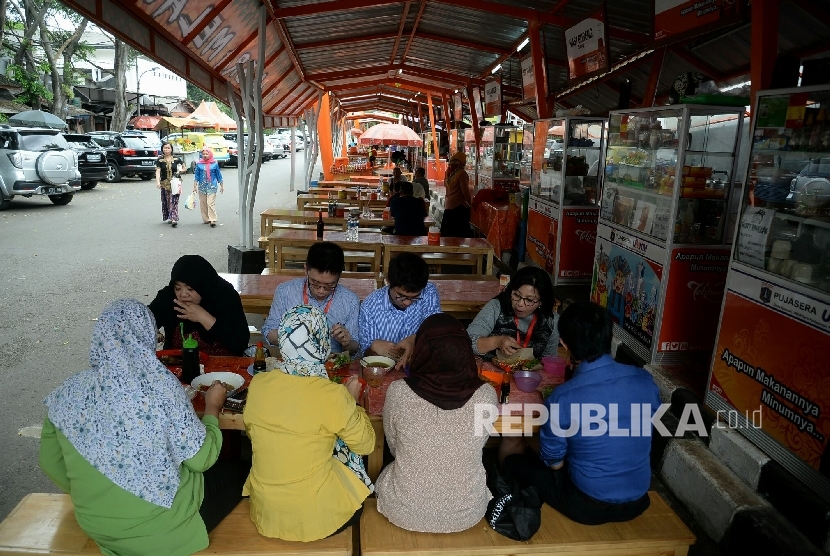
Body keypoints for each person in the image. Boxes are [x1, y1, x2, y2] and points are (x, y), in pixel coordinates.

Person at [39, 300, 247, 556]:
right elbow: (201, 460)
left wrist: (103, 491)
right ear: (146, 336)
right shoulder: (161, 386)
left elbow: (51, 462)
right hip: (167, 530)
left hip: (98, 527)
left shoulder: (67, 392)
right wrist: (212, 410)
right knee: (241, 470)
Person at [500, 301, 661, 525]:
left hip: (587, 506)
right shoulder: (645, 381)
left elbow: (553, 461)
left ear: (564, 344)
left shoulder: (563, 396)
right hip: (638, 501)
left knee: (514, 461)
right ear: (608, 337)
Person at [243, 305, 375, 541]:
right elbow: (366, 446)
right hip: (316, 519)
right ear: (321, 342)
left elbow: (255, 435)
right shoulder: (332, 395)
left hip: (267, 513)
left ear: (284, 339)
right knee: (345, 446)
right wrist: (352, 401)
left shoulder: (259, 384)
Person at [376, 314, 497, 533]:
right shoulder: (486, 395)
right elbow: (480, 442)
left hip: (404, 511)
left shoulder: (399, 392)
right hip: (467, 513)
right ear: (465, 351)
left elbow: (394, 447)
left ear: (421, 350)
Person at [261, 242, 359, 355]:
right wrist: (291, 335)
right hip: (293, 360)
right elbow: (268, 331)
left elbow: (354, 348)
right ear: (306, 269)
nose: (321, 290)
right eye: (315, 283)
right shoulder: (285, 292)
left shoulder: (350, 301)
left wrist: (346, 343)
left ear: (339, 276)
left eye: (330, 285)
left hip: (331, 364)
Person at [149, 254, 249, 356]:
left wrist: (203, 317)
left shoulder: (225, 296)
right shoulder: (169, 297)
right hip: (178, 364)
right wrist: (151, 331)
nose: (183, 294)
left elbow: (240, 344)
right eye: (178, 288)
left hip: (223, 366)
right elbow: (139, 324)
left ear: (204, 285)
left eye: (190, 289)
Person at [358, 252, 440, 368]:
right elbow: (365, 356)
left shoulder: (429, 291)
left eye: (415, 297)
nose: (407, 302)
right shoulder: (370, 306)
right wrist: (373, 347)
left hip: (420, 366)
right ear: (388, 281)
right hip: (385, 371)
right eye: (401, 296)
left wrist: (414, 339)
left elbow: (437, 328)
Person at [467, 266, 559, 361]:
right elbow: (466, 342)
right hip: (491, 373)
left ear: (541, 301)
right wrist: (497, 341)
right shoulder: (496, 307)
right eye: (516, 295)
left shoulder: (551, 321)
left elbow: (549, 360)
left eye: (529, 300)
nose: (519, 304)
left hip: (529, 375)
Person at [441, 151, 472, 237]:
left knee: (448, 234)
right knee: (458, 234)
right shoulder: (461, 173)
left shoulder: (448, 172)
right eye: (464, 160)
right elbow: (465, 192)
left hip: (448, 205)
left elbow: (445, 185)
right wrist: (471, 204)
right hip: (458, 207)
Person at [155, 141, 185, 227]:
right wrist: (157, 182)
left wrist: (181, 171)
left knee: (174, 200)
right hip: (165, 183)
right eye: (165, 148)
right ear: (162, 149)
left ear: (171, 149)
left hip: (175, 183)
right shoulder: (159, 160)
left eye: (168, 148)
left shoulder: (177, 159)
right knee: (167, 201)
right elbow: (158, 171)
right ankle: (170, 216)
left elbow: (184, 167)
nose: (167, 150)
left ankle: (174, 218)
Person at [193, 147, 224, 227]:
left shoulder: (214, 163)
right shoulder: (199, 164)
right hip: (202, 186)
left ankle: (213, 219)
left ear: (210, 154)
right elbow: (196, 176)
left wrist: (222, 185)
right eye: (203, 154)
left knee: (210, 203)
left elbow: (219, 175)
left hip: (212, 186)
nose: (205, 155)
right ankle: (206, 218)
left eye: (207, 154)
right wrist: (194, 186)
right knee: (203, 203)